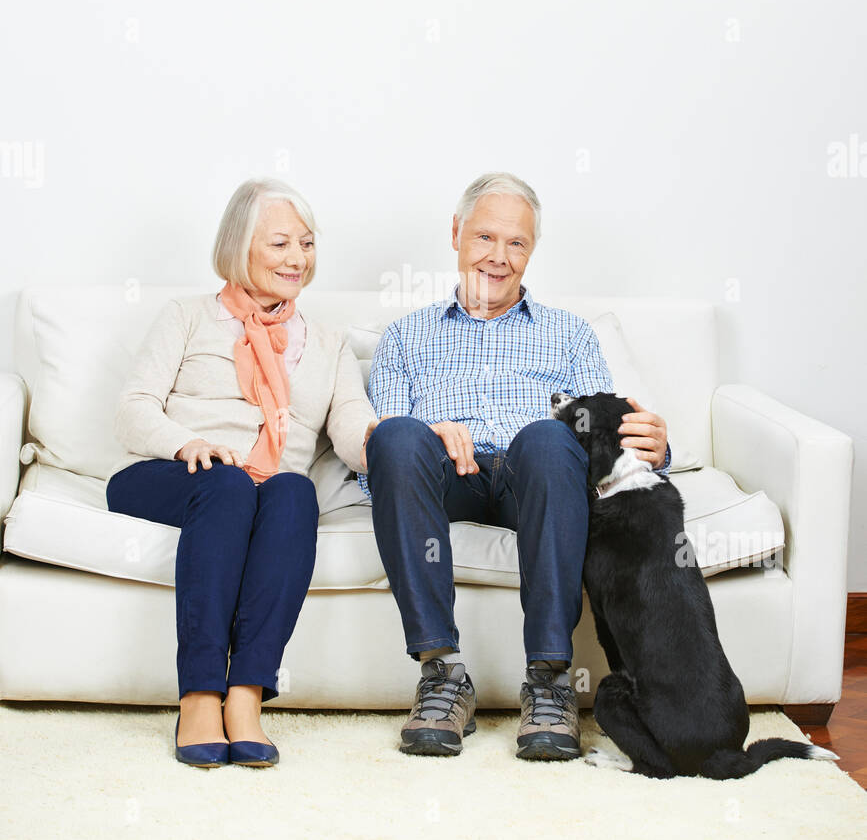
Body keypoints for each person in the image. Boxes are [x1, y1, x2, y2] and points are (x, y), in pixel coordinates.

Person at [360, 171, 670, 761]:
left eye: (517, 244)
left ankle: (550, 679)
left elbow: (603, 437)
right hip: (450, 475)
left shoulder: (571, 336)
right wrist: (425, 432)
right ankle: (442, 674)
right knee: (398, 436)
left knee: (551, 441)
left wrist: (655, 445)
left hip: (538, 478)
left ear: (532, 251)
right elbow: (381, 451)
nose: (498, 258)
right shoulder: (404, 338)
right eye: (485, 238)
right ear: (456, 234)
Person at [105, 178, 378, 768]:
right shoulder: (186, 316)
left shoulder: (328, 345)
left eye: (305, 244)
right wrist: (189, 444)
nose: (297, 258)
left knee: (294, 490)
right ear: (239, 246)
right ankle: (200, 694)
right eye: (280, 243)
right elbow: (132, 410)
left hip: (262, 492)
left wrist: (392, 442)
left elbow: (354, 426)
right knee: (228, 483)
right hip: (173, 478)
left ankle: (247, 695)